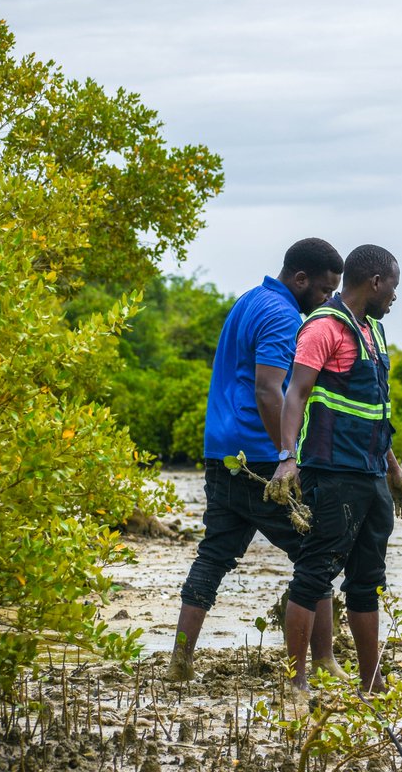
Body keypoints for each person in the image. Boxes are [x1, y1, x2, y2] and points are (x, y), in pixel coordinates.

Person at [167, 238, 344, 683]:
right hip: (260, 456)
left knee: (214, 555)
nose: (327, 301)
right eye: (324, 291)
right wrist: (288, 454)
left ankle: (179, 662)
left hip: (220, 450)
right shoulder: (282, 315)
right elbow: (269, 389)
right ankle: (322, 662)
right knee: (315, 554)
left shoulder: (250, 299)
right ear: (300, 278)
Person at [268, 243, 402, 693]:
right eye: (393, 286)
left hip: (372, 475)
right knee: (314, 573)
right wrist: (287, 458)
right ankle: (296, 684)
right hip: (332, 474)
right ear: (374, 282)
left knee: (368, 581)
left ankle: (371, 683)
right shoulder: (323, 328)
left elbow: (377, 410)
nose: (394, 296)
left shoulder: (374, 331)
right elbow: (296, 394)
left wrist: (393, 469)